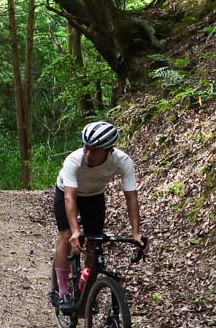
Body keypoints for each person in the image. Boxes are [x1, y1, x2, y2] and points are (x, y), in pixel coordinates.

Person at [51, 121, 146, 313]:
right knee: (66, 235)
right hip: (67, 192)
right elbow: (69, 198)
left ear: (109, 151)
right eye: (86, 147)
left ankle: (86, 288)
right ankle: (62, 293)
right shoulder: (73, 160)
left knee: (94, 241)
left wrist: (136, 233)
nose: (88, 154)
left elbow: (131, 198)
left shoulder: (122, 161)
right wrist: (76, 231)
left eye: (94, 150)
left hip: (94, 195)